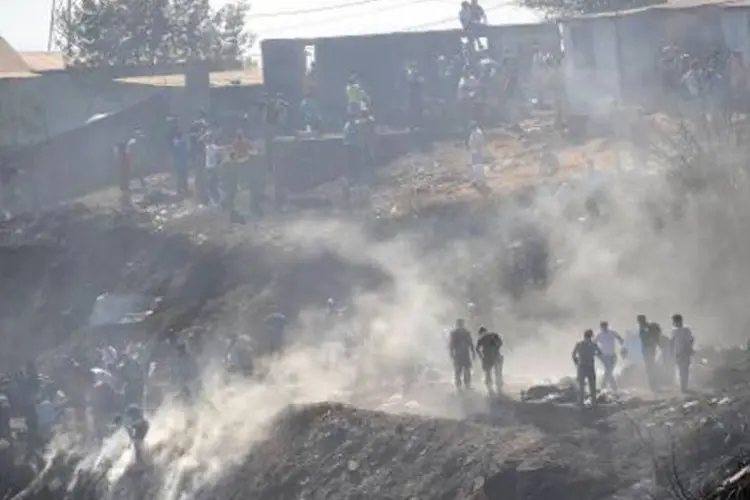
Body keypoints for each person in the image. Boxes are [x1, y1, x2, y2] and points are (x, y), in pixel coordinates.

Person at [572, 329, 602, 407]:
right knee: (592, 386)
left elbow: (573, 355)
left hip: (581, 366)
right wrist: (593, 354)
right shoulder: (593, 345)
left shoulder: (579, 344)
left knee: (581, 385)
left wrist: (576, 362)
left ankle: (581, 402)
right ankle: (593, 403)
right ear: (591, 336)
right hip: (590, 367)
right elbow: (600, 352)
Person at [594, 321, 624, 392]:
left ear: (607, 326)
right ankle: (613, 388)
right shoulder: (599, 335)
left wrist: (623, 348)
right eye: (602, 327)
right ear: (601, 327)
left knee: (608, 371)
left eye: (605, 326)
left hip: (612, 355)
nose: (604, 328)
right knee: (608, 371)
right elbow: (593, 343)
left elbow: (620, 339)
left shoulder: (612, 332)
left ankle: (603, 387)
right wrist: (597, 353)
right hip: (604, 356)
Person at [671, 314, 695, 394]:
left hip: (682, 353)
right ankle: (683, 387)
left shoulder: (682, 330)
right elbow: (691, 340)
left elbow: (690, 340)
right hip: (681, 353)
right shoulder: (678, 331)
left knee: (683, 370)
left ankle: (684, 387)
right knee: (683, 371)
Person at [449, 319, 475, 390]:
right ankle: (467, 386)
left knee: (458, 371)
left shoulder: (454, 333)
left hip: (458, 354)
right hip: (465, 354)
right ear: (463, 324)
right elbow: (471, 343)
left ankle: (459, 386)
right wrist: (473, 353)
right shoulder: (466, 332)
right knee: (466, 370)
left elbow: (451, 344)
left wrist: (451, 353)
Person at [475, 327, 503, 394]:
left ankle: (490, 390)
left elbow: (477, 349)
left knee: (488, 373)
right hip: (496, 356)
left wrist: (481, 357)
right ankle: (499, 389)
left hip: (488, 357)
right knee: (498, 373)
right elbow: (500, 343)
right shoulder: (494, 335)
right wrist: (496, 348)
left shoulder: (481, 338)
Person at [638, 314, 659, 391]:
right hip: (647, 348)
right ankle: (652, 385)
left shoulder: (647, 327)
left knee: (650, 367)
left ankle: (653, 385)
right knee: (649, 367)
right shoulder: (645, 326)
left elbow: (649, 337)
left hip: (648, 348)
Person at [171, 130, 189, 196]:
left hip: (178, 163)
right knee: (184, 177)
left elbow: (174, 153)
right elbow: (186, 152)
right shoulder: (182, 143)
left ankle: (179, 190)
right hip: (183, 163)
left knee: (179, 177)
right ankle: (185, 189)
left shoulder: (176, 144)